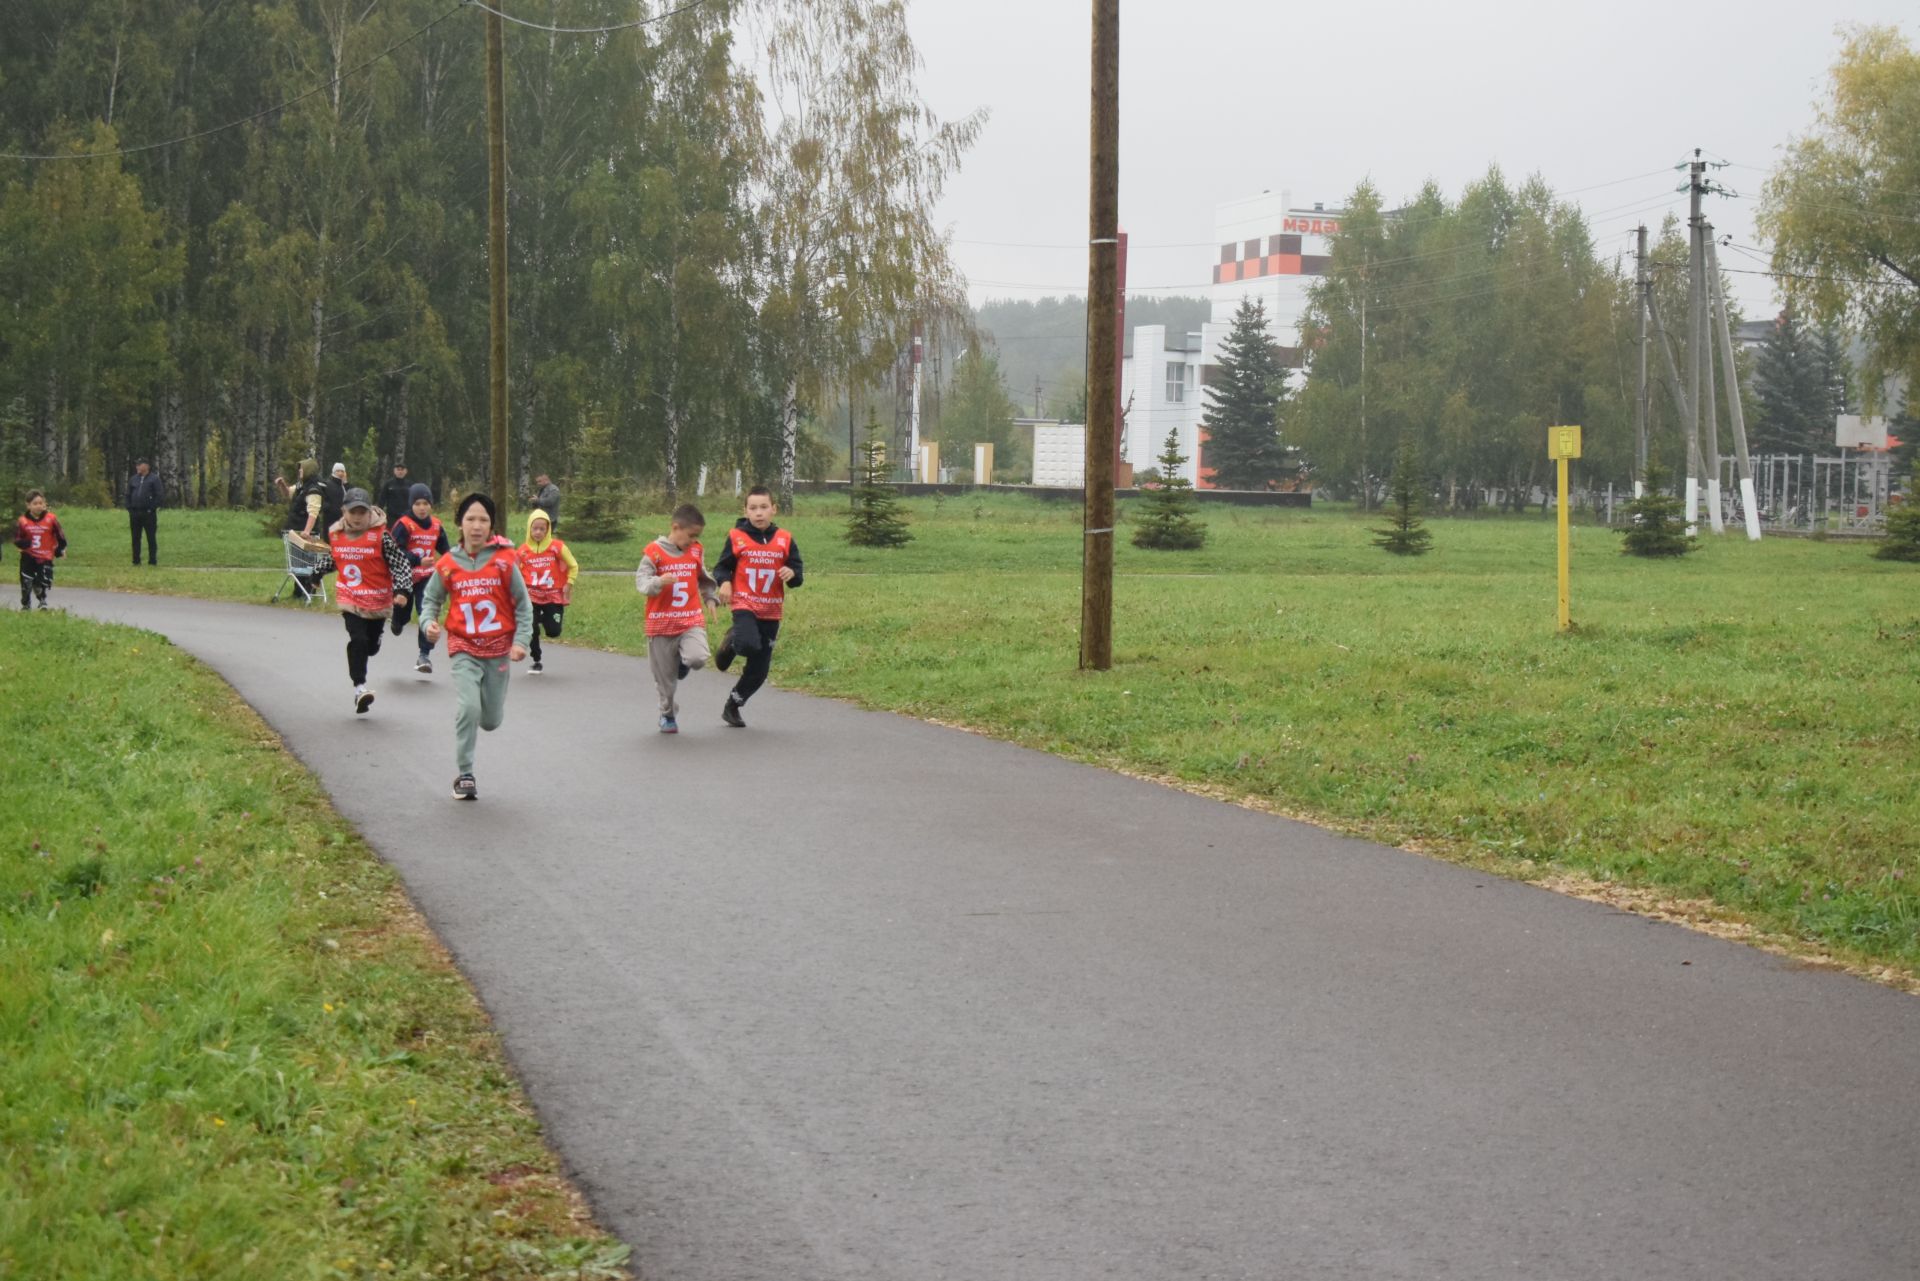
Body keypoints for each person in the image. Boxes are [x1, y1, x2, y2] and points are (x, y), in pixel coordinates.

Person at [420, 493, 531, 801]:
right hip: (463, 646)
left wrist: (521, 641)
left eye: (483, 519)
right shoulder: (447, 564)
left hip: (498, 649)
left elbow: (523, 604)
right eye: (470, 519)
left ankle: (483, 715)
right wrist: (428, 623)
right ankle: (465, 774)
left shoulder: (505, 561)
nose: (477, 525)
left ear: (491, 524)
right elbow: (431, 601)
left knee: (491, 720)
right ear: (460, 523)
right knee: (468, 707)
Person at [292, 488, 412, 715]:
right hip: (350, 597)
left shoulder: (381, 537)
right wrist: (315, 575)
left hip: (377, 601)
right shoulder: (337, 535)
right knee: (357, 639)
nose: (357, 517)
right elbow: (333, 559)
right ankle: (360, 688)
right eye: (352, 512)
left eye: (362, 513)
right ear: (343, 512)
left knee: (370, 645)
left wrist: (403, 589)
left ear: (370, 513)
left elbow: (400, 563)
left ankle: (371, 645)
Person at [711, 485, 803, 728]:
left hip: (771, 610)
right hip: (745, 604)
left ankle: (733, 705)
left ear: (774, 509)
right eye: (753, 508)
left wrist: (791, 572)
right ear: (746, 511)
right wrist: (725, 583)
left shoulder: (785, 539)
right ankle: (732, 641)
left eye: (764, 507)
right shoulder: (736, 537)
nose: (759, 513)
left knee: (760, 670)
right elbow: (721, 567)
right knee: (747, 644)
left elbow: (798, 576)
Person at [635, 503, 719, 733]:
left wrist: (710, 597)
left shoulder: (695, 551)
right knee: (666, 683)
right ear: (676, 527)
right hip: (661, 626)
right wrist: (658, 582)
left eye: (697, 537)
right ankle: (667, 714)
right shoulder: (654, 552)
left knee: (698, 658)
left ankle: (684, 662)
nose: (693, 541)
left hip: (689, 620)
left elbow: (703, 577)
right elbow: (641, 583)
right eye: (691, 535)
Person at [390, 484, 449, 671]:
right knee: (404, 615)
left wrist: (455, 564)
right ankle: (397, 620)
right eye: (417, 503)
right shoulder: (404, 524)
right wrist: (417, 560)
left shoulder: (437, 525)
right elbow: (394, 551)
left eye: (425, 503)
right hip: (405, 577)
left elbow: (446, 550)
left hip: (426, 577)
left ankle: (424, 656)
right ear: (411, 505)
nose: (422, 507)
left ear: (431, 505)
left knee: (426, 611)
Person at [517, 508, 578, 675]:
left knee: (553, 631)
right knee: (531, 628)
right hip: (531, 595)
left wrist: (569, 583)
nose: (538, 532)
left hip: (553, 596)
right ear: (529, 528)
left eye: (542, 529)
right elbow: (514, 572)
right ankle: (536, 660)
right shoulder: (522, 550)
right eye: (534, 528)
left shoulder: (557, 547)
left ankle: (545, 619)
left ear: (548, 529)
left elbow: (573, 565)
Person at [13, 490, 66, 610]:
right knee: (26, 582)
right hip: (28, 556)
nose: (38, 506)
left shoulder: (51, 519)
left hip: (45, 556)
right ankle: (26, 604)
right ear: (28, 505)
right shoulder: (23, 521)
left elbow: (60, 535)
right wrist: (23, 544)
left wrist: (60, 549)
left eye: (41, 503)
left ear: (44, 504)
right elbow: (16, 538)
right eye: (35, 503)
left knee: (41, 582)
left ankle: (42, 600)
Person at [126, 459, 163, 566]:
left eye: (139, 465)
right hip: (135, 513)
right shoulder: (133, 479)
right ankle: (136, 560)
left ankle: (152, 561)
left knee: (151, 537)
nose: (137, 467)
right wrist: (129, 508)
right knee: (135, 538)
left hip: (148, 514)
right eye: (136, 465)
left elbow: (159, 495)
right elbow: (128, 494)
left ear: (146, 466)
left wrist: (151, 508)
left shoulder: (154, 479)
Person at [277, 459, 327, 536]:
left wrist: (307, 532)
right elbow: (289, 493)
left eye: (302, 468)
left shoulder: (314, 489)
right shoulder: (302, 485)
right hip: (295, 530)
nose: (300, 470)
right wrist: (282, 484)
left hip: (306, 534)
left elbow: (313, 512)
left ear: (308, 470)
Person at [323, 463, 348, 532]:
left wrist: (345, 483)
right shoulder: (327, 484)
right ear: (334, 471)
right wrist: (328, 508)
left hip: (342, 519)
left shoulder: (343, 486)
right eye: (338, 471)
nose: (340, 473)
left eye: (342, 471)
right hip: (330, 520)